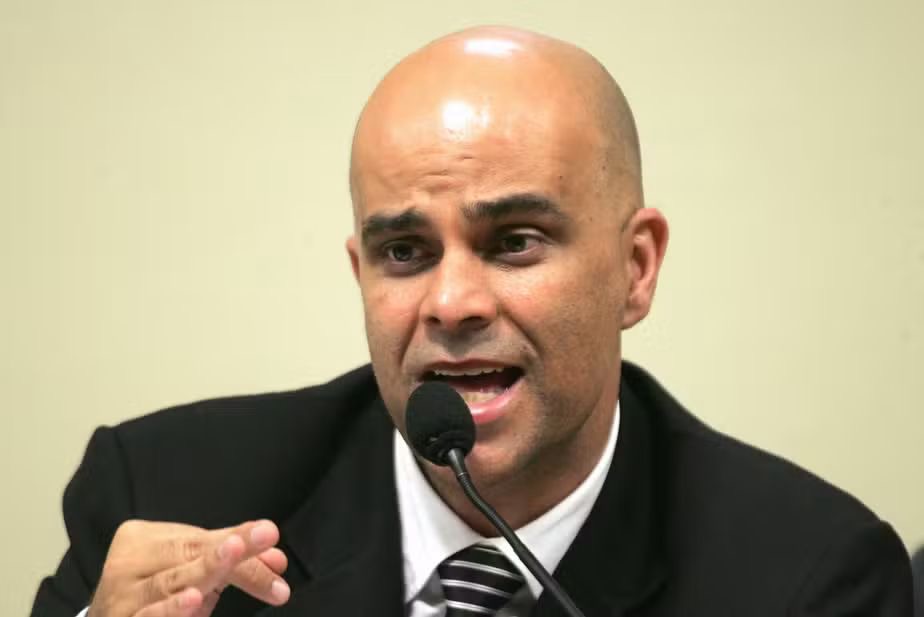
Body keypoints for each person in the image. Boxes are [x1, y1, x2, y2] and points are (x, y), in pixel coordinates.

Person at [32, 25, 912, 617]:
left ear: (636, 269)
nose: (451, 303)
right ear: (360, 275)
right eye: (405, 251)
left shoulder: (807, 578)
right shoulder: (164, 496)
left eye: (514, 241)